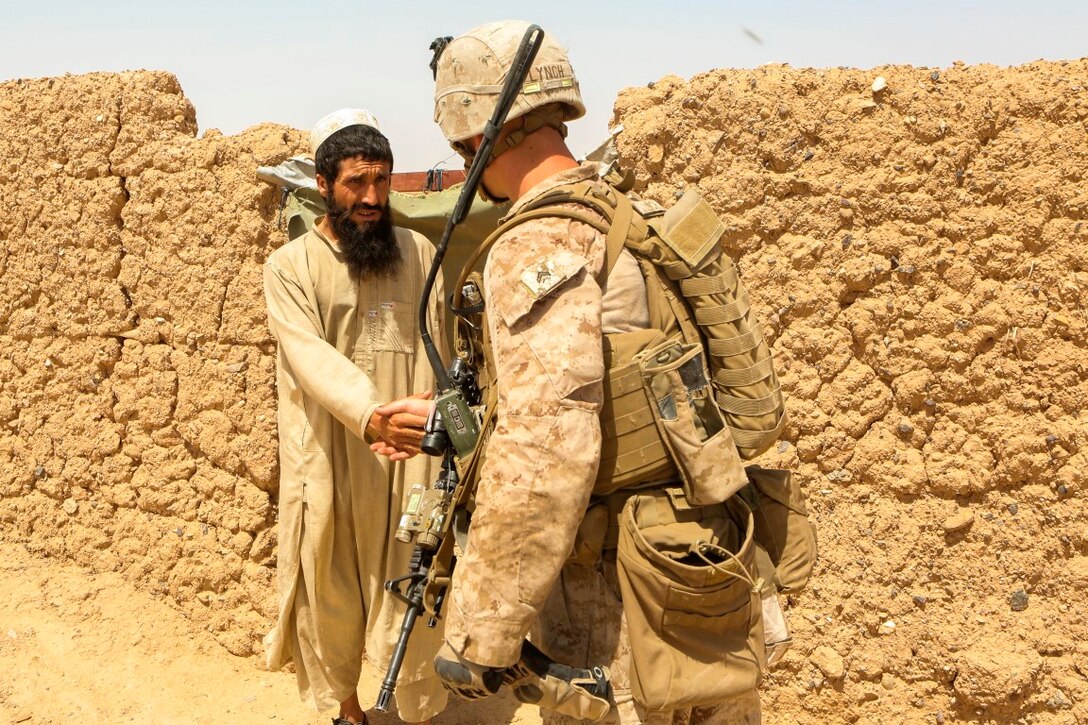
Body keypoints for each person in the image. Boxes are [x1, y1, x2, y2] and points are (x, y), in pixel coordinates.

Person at [419, 21, 767, 724]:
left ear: (469, 131)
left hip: (611, 602)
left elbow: (546, 446)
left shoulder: (539, 240)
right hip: (700, 564)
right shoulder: (637, 219)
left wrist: (482, 630)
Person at [262, 109, 448, 725]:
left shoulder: (420, 252)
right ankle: (347, 709)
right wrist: (369, 416)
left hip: (409, 462)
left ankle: (419, 711)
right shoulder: (291, 266)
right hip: (332, 456)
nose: (371, 198)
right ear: (322, 184)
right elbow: (308, 356)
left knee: (414, 589)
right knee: (328, 589)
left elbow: (440, 344)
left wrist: (429, 417)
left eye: (382, 181)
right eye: (356, 184)